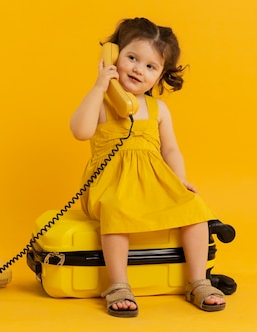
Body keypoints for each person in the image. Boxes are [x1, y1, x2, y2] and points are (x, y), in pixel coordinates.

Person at [70, 17, 226, 318]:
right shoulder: (102, 102)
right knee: (117, 210)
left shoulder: (158, 110)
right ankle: (118, 285)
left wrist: (179, 179)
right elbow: (80, 131)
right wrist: (99, 85)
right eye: (131, 58)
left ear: (160, 75)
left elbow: (170, 149)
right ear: (114, 56)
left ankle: (198, 282)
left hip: (153, 182)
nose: (138, 69)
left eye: (150, 66)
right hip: (110, 186)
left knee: (195, 209)